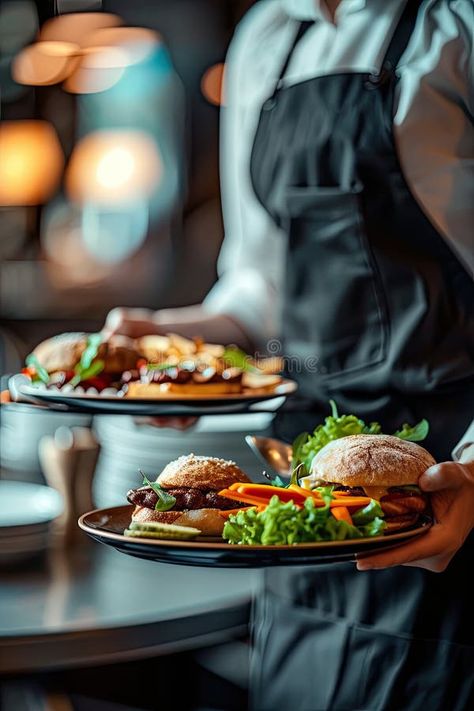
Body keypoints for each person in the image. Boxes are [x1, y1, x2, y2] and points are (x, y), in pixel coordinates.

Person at [103, 0, 474, 707]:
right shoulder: (269, 36)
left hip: (448, 489)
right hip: (300, 499)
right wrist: (178, 347)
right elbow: (262, 286)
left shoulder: (455, 25)